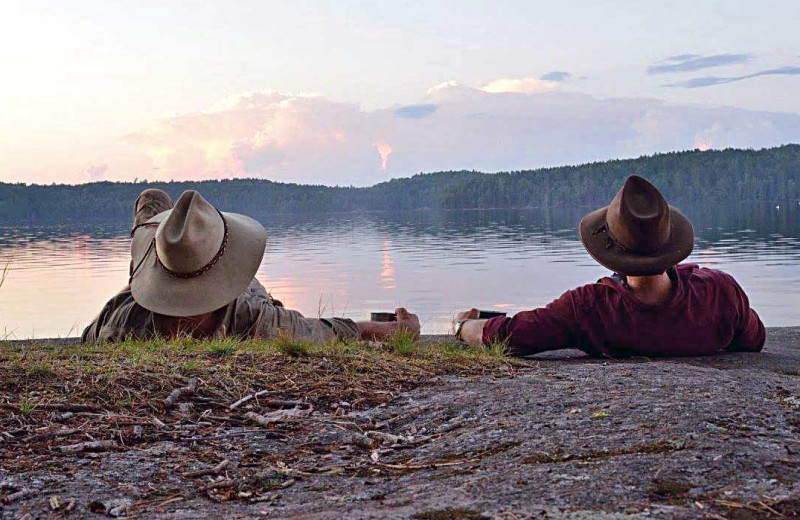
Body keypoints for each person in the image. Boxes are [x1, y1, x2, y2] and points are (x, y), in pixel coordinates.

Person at [453, 175, 765, 357]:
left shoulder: (586, 308)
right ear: (669, 243)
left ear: (610, 247)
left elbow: (505, 336)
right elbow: (754, 340)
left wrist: (462, 326)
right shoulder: (721, 291)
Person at [82, 189, 419, 343]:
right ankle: (185, 253)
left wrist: (135, 288)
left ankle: (158, 257)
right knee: (224, 262)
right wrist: (400, 330)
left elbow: (89, 337)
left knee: (151, 201)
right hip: (234, 297)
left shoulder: (122, 320)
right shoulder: (256, 318)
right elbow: (336, 331)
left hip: (145, 296)